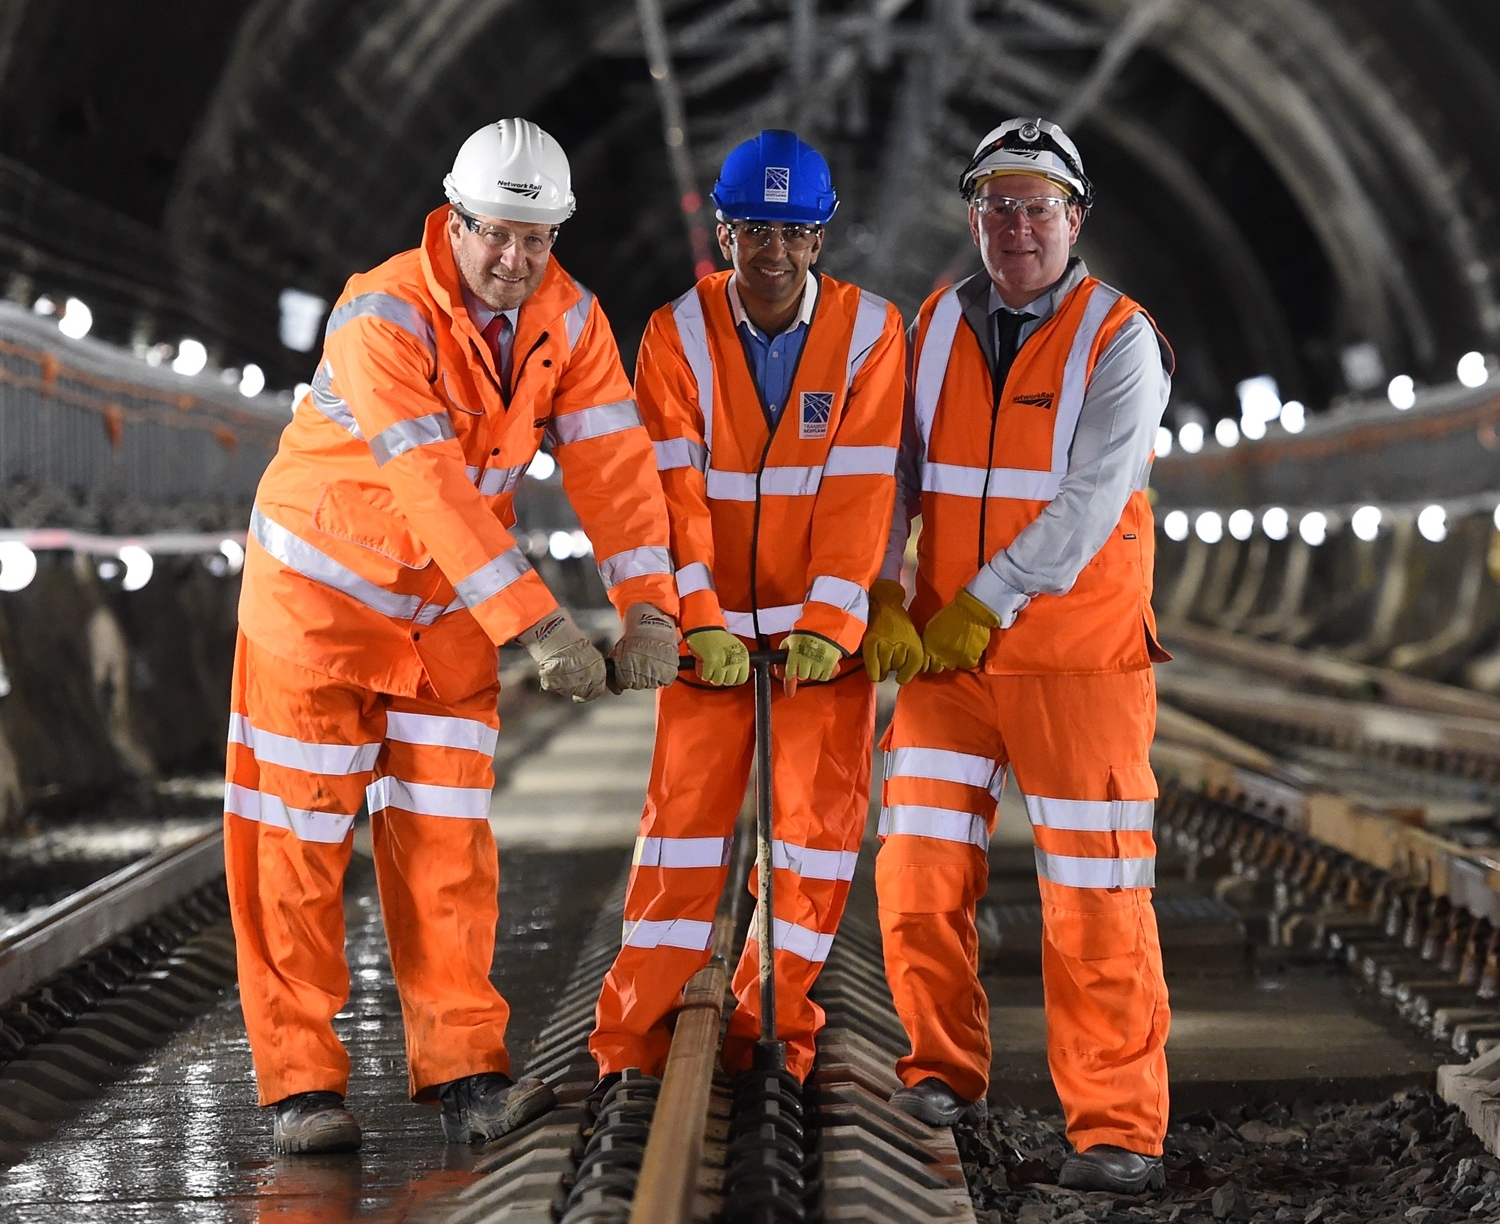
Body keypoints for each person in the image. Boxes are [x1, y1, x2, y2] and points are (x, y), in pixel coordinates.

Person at [227, 118, 680, 1154]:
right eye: (496, 234)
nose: (515, 259)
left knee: (449, 848)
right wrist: (541, 623)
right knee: (295, 851)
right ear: (454, 218)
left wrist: (649, 600)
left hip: (443, 624)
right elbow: (429, 486)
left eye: (538, 239)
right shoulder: (381, 313)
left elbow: (612, 464)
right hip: (319, 613)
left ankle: (468, 1072)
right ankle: (301, 1086)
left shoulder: (570, 317)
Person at [864, 117, 1174, 1195]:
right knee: (914, 869)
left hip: (1075, 665)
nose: (1018, 226)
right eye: (998, 206)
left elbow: (1089, 504)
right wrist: (883, 586)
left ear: (1075, 218)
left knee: (1095, 898)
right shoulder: (937, 324)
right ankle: (941, 1067)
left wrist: (982, 601)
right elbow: (891, 471)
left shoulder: (1120, 339)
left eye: (1038, 206)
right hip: (951, 663)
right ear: (974, 218)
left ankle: (1116, 1128)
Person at [589, 130, 905, 1086]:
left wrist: (831, 623)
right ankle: (631, 1049)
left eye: (795, 233)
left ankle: (774, 1036)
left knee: (811, 845)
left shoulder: (871, 334)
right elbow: (666, 493)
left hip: (820, 646)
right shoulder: (674, 335)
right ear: (724, 234)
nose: (774, 253)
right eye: (755, 232)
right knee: (679, 836)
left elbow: (863, 492)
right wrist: (699, 619)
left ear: (821, 239)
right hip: (712, 640)